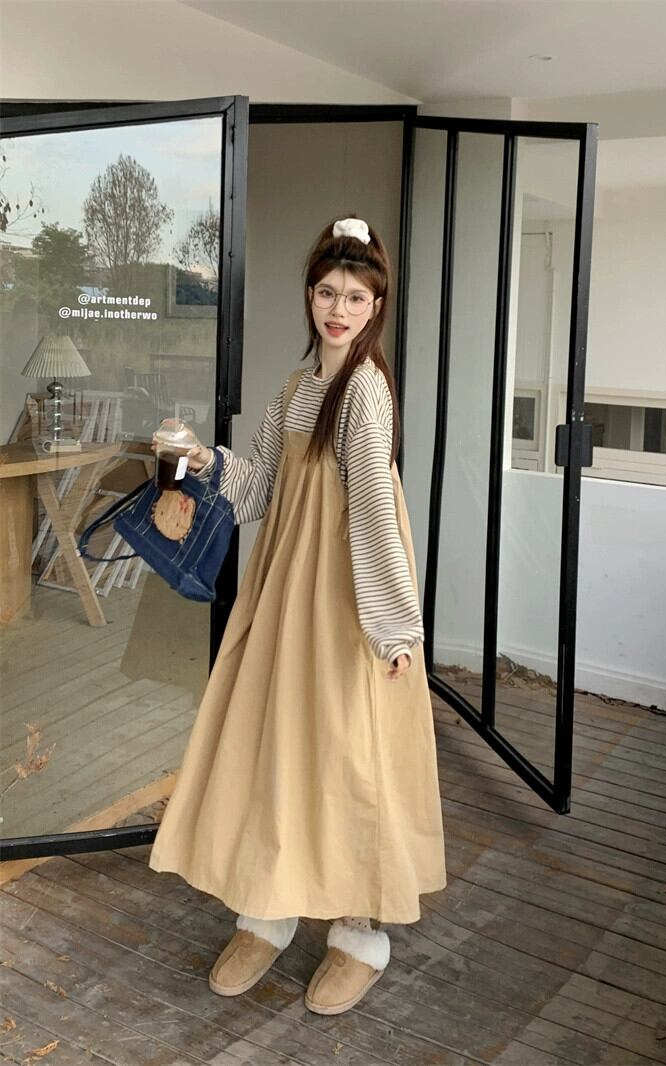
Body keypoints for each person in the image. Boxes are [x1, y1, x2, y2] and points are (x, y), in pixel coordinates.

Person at [147, 215, 447, 1014]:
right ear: (309, 295)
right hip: (286, 587)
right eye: (326, 293)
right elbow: (263, 491)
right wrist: (204, 458)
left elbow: (374, 512)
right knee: (276, 740)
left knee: (348, 751)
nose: (338, 310)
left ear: (376, 305)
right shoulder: (296, 386)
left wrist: (393, 628)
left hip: (347, 596)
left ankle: (358, 931)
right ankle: (268, 909)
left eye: (355, 297)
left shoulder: (366, 391)